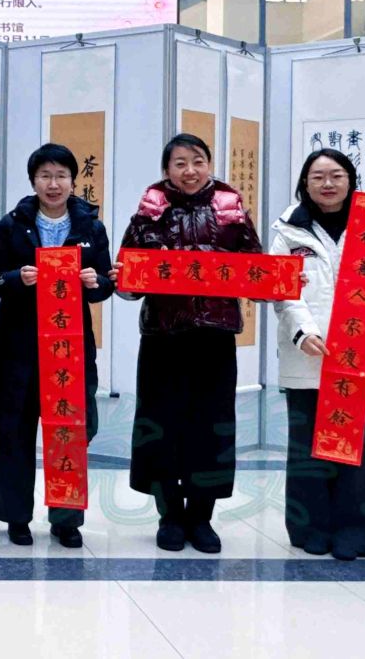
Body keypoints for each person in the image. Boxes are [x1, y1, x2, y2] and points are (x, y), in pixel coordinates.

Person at [270, 148, 365, 562]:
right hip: (311, 353)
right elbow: (283, 290)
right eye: (318, 176)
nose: (328, 184)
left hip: (364, 354)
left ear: (351, 180)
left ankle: (357, 530)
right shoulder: (288, 229)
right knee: (308, 447)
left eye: (336, 175)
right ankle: (310, 527)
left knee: (364, 451)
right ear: (305, 183)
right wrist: (302, 332)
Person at [118, 133, 262, 554]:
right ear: (167, 170)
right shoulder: (150, 210)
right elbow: (129, 278)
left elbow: (255, 267)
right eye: (180, 163)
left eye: (198, 161)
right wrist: (124, 277)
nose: (190, 170)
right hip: (163, 337)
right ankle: (169, 516)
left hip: (215, 337)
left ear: (209, 164)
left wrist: (279, 279)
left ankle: (201, 517)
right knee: (162, 427)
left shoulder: (231, 207)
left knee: (210, 428)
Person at [0, 142, 115, 548]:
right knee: (15, 431)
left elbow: (106, 284)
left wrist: (96, 283)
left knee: (68, 430)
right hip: (19, 345)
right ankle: (16, 517)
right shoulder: (13, 224)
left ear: (73, 181)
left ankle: (66, 519)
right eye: (45, 176)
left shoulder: (90, 226)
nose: (54, 184)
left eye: (61, 175)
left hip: (69, 347)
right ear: (33, 181)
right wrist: (16, 278)